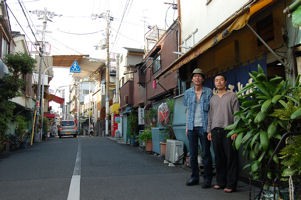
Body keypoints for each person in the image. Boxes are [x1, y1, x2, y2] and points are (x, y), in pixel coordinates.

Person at [207, 74, 239, 193]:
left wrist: (235, 130)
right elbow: (210, 116)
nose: (219, 82)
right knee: (219, 158)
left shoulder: (232, 96)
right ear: (214, 83)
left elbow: (237, 114)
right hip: (215, 131)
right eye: (216, 80)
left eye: (221, 80)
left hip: (229, 130)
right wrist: (209, 130)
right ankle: (220, 182)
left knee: (231, 157)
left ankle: (231, 184)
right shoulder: (213, 99)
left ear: (225, 82)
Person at [183, 68, 213, 188]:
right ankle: (194, 177)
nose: (197, 78)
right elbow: (188, 111)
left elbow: (212, 111)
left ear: (203, 79)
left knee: (206, 154)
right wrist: (186, 126)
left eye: (199, 76)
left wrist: (210, 128)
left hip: (204, 127)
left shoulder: (209, 92)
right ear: (192, 79)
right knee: (193, 154)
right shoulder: (187, 93)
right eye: (195, 76)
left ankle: (207, 179)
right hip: (191, 127)